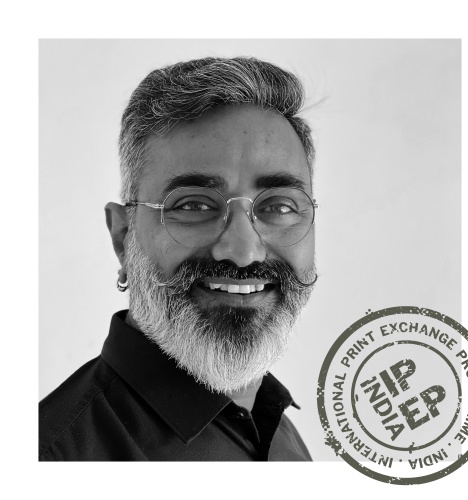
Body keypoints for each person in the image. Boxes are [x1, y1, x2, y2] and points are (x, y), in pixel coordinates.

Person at [39, 56, 318, 461]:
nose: (244, 252)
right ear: (123, 237)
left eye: (279, 206)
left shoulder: (279, 432)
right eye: (193, 205)